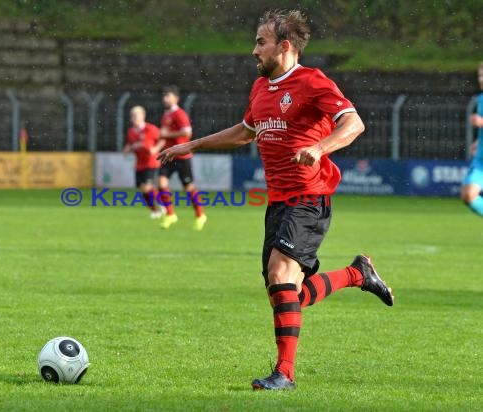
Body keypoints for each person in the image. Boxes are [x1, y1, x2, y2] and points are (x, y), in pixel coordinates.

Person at [158, 9, 394, 390]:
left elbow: (353, 123)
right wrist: (193, 144)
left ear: (284, 47)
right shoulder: (260, 89)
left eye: (260, 42)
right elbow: (245, 132)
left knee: (281, 276)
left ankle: (284, 375)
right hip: (279, 202)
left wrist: (320, 147)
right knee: (287, 295)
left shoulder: (313, 81)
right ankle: (357, 274)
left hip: (309, 198)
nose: (254, 50)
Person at [157, 85, 207, 230]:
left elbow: (187, 133)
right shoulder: (166, 115)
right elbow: (164, 135)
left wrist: (167, 135)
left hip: (182, 156)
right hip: (169, 155)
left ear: (176, 98)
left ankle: (200, 214)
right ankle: (170, 214)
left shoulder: (179, 114)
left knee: (189, 187)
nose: (165, 98)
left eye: (168, 95)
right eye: (164, 95)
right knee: (161, 182)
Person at [123, 105, 164, 219]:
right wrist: (128, 149)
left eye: (136, 115)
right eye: (132, 116)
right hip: (139, 164)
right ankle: (155, 211)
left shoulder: (150, 129)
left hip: (151, 162)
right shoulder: (131, 131)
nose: (134, 118)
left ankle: (162, 203)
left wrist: (155, 149)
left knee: (147, 187)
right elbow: (130, 144)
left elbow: (162, 140)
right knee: (142, 189)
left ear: (143, 116)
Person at [460, 62, 483, 216]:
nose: (481, 79)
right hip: (481, 159)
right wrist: (477, 142)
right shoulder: (481, 99)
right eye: (479, 76)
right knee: (468, 195)